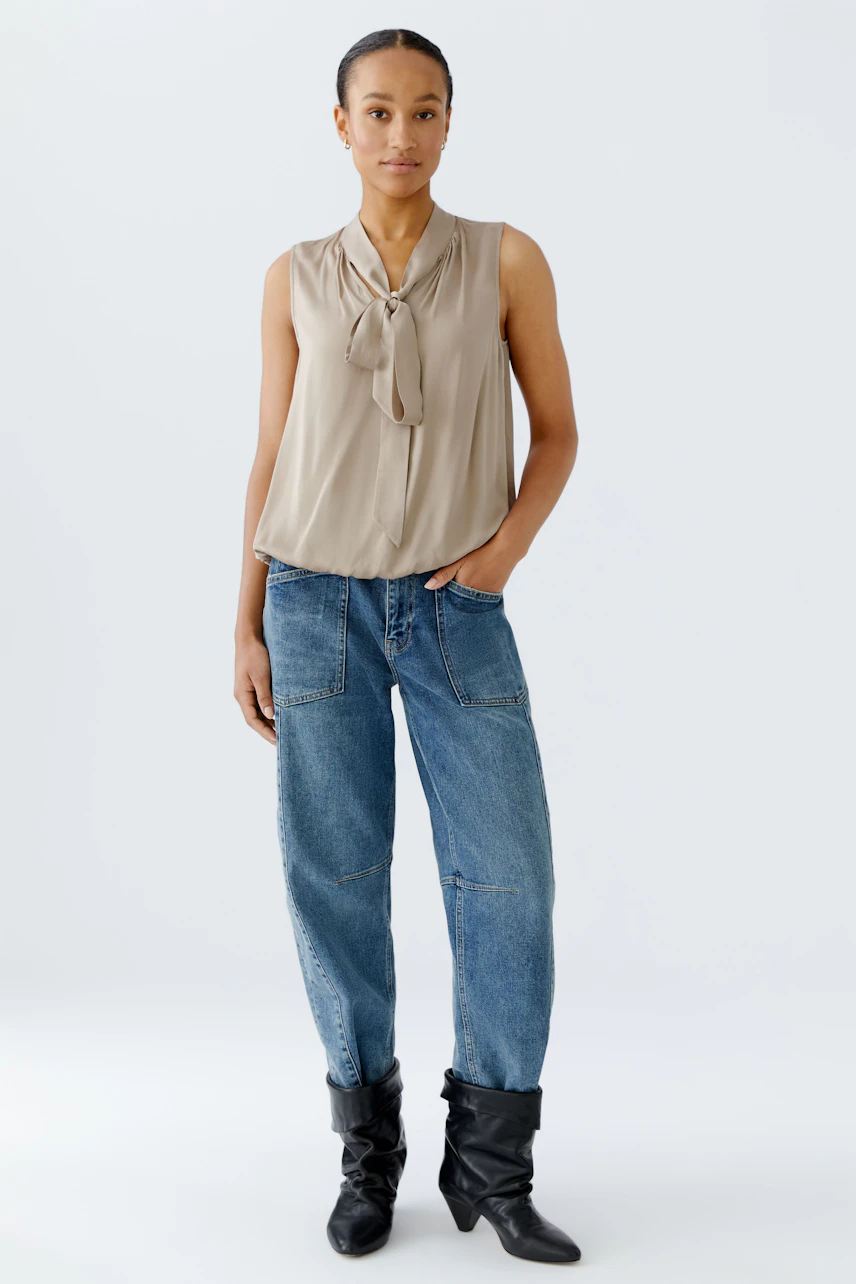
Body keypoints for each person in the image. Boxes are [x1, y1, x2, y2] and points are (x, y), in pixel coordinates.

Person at [234, 27, 580, 1264]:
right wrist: (246, 618)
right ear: (340, 126)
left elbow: (555, 433)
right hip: (313, 603)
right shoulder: (291, 276)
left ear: (448, 123)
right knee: (334, 882)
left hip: (453, 609)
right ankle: (365, 1160)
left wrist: (499, 558)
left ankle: (491, 1167)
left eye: (423, 112)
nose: (400, 135)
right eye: (376, 112)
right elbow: (273, 453)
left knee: (509, 884)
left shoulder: (505, 261)